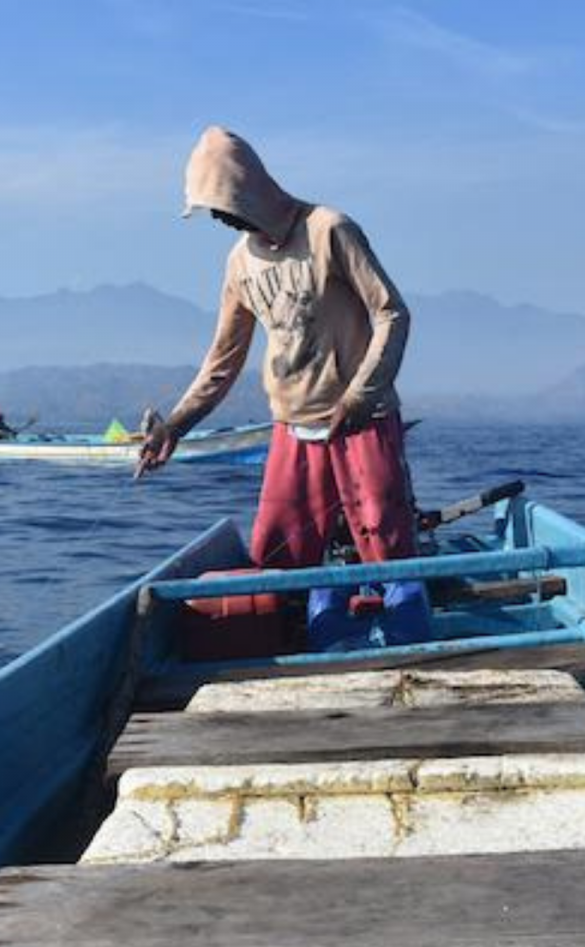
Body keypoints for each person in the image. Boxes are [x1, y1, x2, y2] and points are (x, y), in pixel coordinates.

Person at [139, 125, 428, 646]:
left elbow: (391, 313)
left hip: (360, 421)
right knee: (278, 552)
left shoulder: (329, 230)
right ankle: (297, 640)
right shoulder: (239, 262)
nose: (221, 220)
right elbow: (222, 361)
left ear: (246, 189)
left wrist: (362, 392)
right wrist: (176, 426)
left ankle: (408, 643)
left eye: (221, 206)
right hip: (293, 430)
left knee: (386, 542)